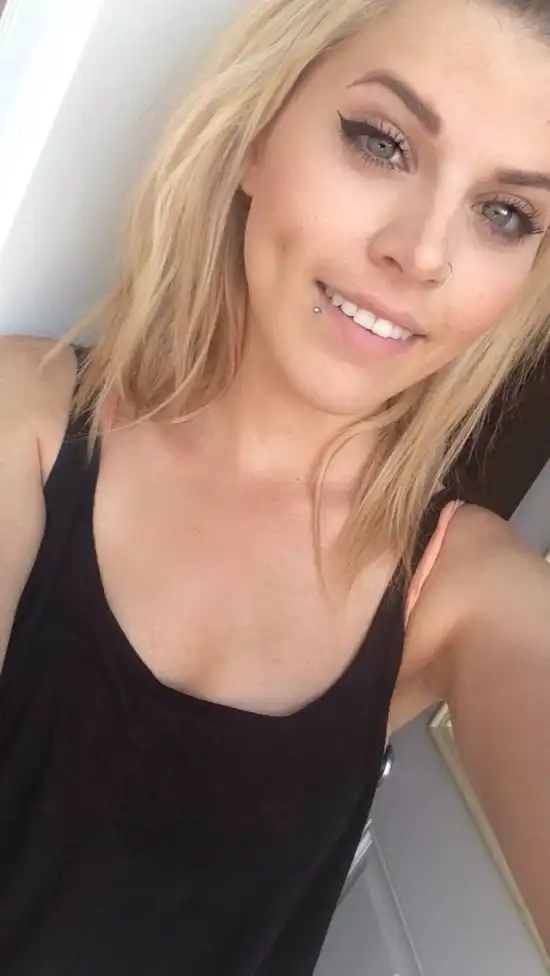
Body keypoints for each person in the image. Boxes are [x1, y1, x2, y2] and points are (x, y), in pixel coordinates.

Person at [1, 0, 550, 971]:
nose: (422, 254)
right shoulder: (25, 416)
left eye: (504, 213)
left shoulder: (464, 589)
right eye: (381, 142)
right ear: (256, 135)